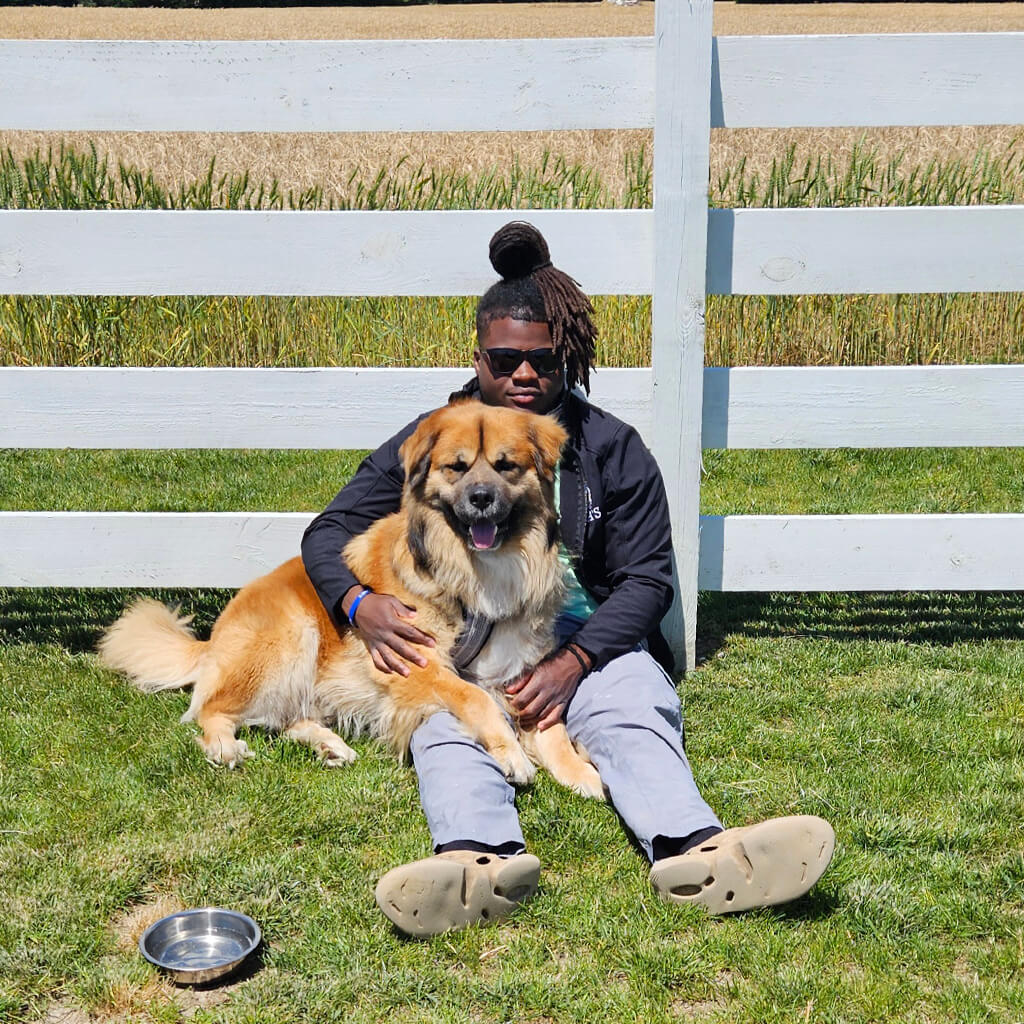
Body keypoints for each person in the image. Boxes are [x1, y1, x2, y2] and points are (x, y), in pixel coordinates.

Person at [301, 220, 835, 937]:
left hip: (588, 641)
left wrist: (574, 662)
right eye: (504, 358)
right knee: (443, 724)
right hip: (469, 644)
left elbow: (647, 582)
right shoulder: (436, 438)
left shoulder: (613, 449)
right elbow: (327, 532)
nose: (524, 375)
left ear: (569, 359)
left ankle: (696, 850)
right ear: (479, 356)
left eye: (544, 361)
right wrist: (358, 601)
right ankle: (475, 863)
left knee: (633, 708)